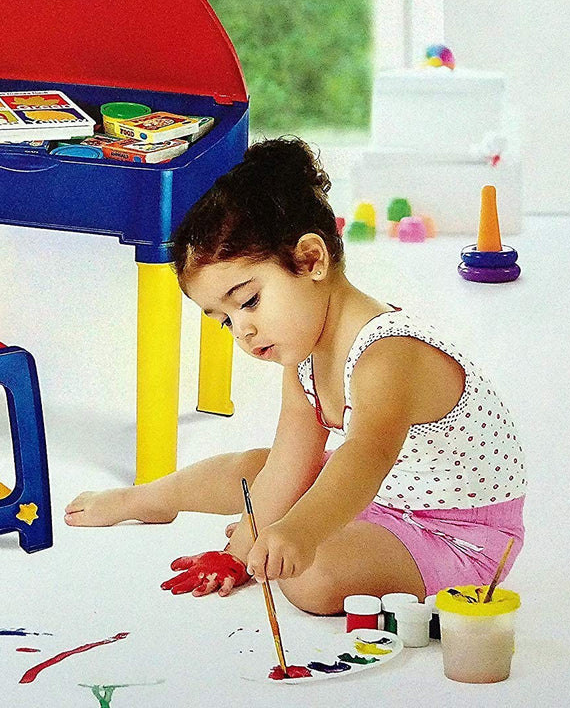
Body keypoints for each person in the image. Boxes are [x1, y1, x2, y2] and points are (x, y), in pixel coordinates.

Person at [64, 137, 525, 614]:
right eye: (223, 320)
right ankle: (148, 498)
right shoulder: (303, 355)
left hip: (453, 532)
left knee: (311, 579)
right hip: (376, 499)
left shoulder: (388, 356)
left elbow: (365, 459)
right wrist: (236, 554)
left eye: (248, 302)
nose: (241, 330)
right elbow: (290, 462)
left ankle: (313, 533)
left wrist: (298, 532)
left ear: (310, 259)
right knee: (257, 468)